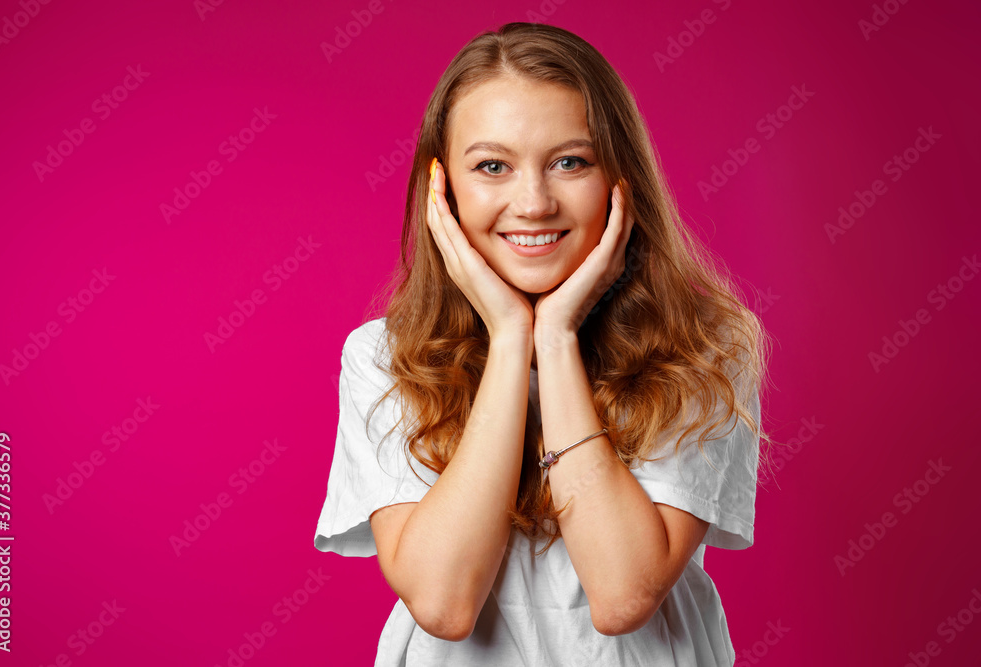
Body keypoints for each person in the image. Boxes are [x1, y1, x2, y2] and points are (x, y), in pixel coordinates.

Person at [315, 21, 773, 666]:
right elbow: (444, 604)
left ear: (621, 178)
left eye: (570, 162)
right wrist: (509, 338)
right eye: (493, 166)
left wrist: (555, 340)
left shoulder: (705, 345)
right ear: (441, 186)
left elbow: (622, 595)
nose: (532, 202)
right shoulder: (384, 357)